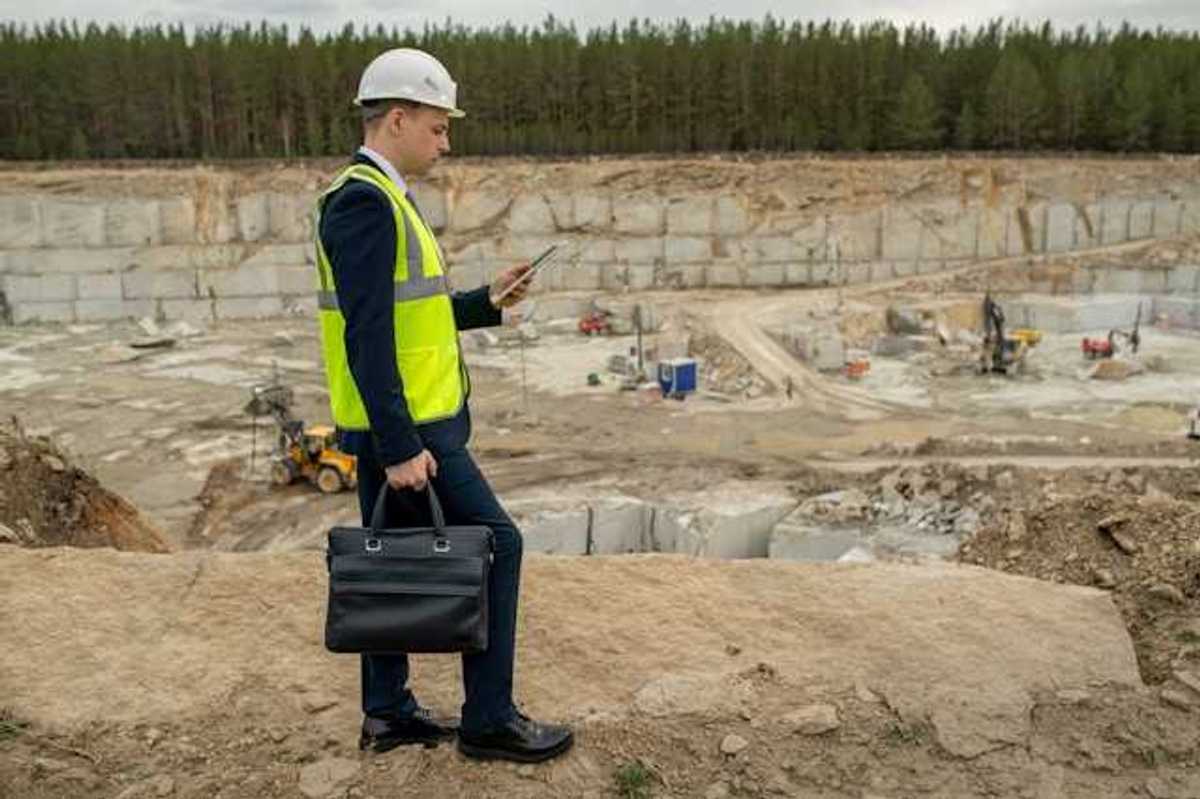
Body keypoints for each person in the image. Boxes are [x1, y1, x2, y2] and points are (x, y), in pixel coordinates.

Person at [314, 47, 573, 764]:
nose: (446, 140)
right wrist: (400, 446)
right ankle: (489, 719)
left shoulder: (378, 196)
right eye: (437, 125)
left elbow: (406, 314)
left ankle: (388, 711)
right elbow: (368, 336)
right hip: (411, 429)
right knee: (501, 544)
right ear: (397, 117)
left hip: (395, 423)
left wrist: (485, 301)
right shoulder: (365, 202)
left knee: (387, 557)